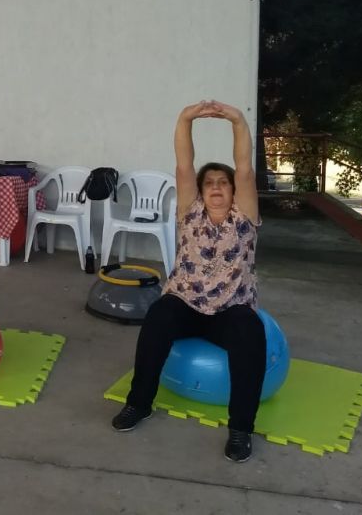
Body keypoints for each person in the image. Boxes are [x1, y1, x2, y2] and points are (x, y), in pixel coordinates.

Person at [111, 100, 265, 463]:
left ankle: (241, 428)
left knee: (250, 330)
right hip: (186, 304)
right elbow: (183, 165)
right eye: (209, 183)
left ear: (232, 191)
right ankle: (139, 404)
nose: (216, 187)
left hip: (230, 311)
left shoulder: (245, 218)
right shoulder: (190, 212)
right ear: (200, 191)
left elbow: (244, 169)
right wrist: (185, 117)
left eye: (222, 183)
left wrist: (237, 120)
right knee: (159, 314)